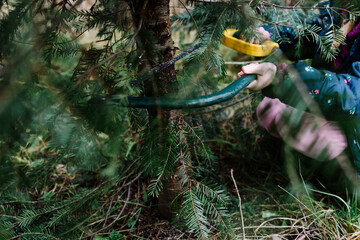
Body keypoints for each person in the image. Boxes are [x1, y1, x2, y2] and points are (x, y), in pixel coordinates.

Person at [238, 2, 360, 177]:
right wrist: (270, 35)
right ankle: (303, 165)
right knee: (272, 108)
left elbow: (353, 94)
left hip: (353, 121)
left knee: (324, 138)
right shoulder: (342, 10)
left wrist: (280, 77)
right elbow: (311, 36)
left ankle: (339, 174)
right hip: (334, 107)